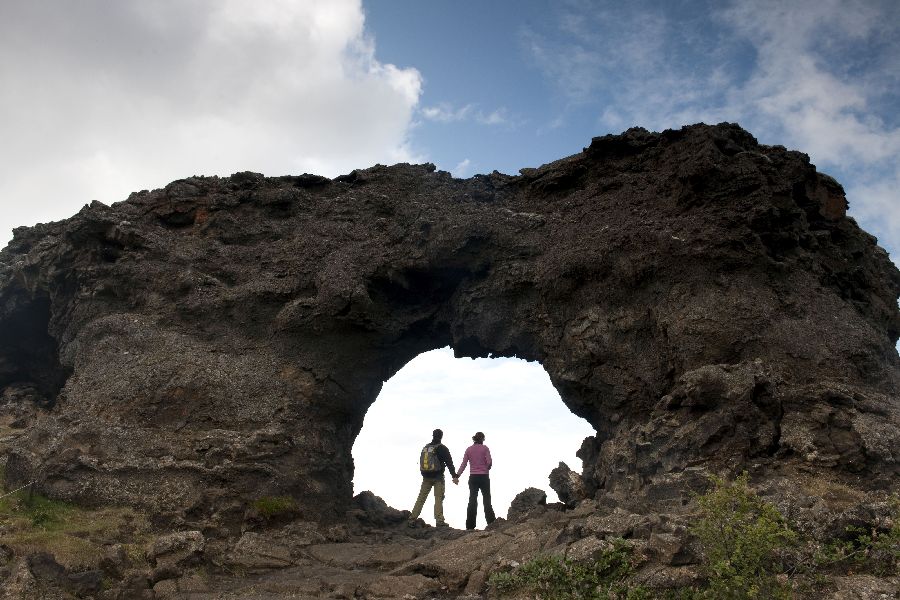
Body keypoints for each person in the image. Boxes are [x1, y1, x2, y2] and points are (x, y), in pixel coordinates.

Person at [408, 428, 458, 527]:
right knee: (438, 498)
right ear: (441, 436)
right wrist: (454, 476)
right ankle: (439, 521)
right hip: (438, 477)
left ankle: (412, 519)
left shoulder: (426, 447)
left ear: (433, 435)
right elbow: (449, 463)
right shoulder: (442, 448)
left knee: (421, 498)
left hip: (426, 477)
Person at [456, 431, 495, 530]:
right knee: (487, 500)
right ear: (482, 439)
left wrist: (457, 475)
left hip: (473, 477)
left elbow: (463, 464)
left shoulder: (469, 449)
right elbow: (489, 462)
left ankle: (470, 526)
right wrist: (486, 468)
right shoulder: (485, 448)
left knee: (472, 500)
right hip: (484, 477)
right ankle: (491, 523)